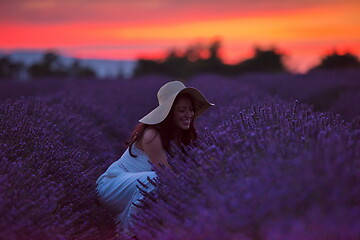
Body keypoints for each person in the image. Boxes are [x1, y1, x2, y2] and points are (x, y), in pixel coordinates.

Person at [95, 80, 214, 231]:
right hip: (112, 187)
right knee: (158, 179)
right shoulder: (151, 135)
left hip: (137, 187)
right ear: (169, 113)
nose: (189, 114)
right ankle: (132, 234)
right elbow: (168, 176)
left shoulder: (181, 137)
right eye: (182, 110)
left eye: (190, 109)